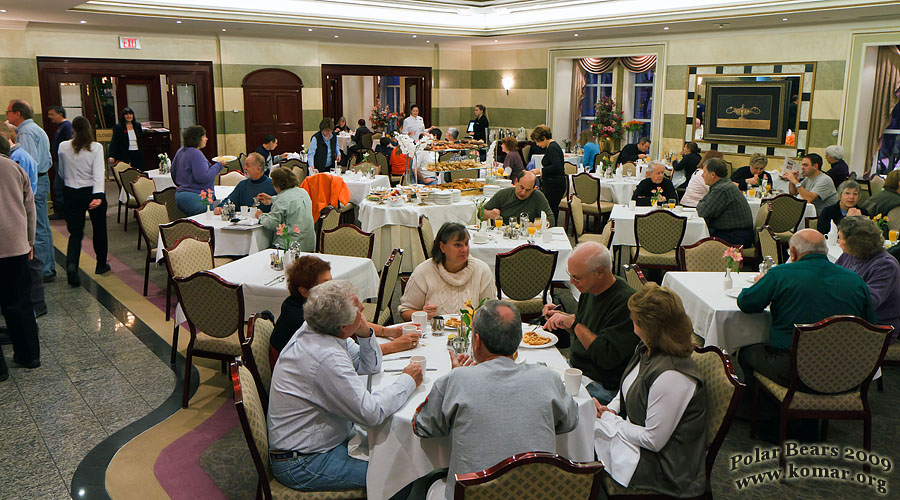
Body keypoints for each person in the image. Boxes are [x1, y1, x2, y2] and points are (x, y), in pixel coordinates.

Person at [267, 280, 423, 491]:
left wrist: (364, 331)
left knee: (397, 450)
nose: (362, 310)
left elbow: (369, 366)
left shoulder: (319, 329)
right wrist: (408, 380)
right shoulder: (325, 356)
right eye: (359, 309)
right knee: (399, 476)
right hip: (303, 462)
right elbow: (372, 413)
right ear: (343, 327)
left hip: (320, 441)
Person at [414, 300, 579, 499]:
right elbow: (570, 421)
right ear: (518, 341)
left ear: (476, 341)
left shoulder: (456, 380)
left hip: (474, 493)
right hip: (537, 492)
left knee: (422, 485)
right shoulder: (548, 378)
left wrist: (455, 383)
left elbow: (423, 427)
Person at [594, 283, 706, 498]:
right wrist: (611, 410)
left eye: (634, 319)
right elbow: (625, 388)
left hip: (664, 469)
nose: (630, 321)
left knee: (584, 450)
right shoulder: (647, 347)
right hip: (636, 435)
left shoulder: (673, 375)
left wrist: (610, 421)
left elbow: (653, 441)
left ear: (648, 327)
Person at [737, 229, 876, 394]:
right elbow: (870, 325)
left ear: (793, 253)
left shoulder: (781, 274)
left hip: (794, 370)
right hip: (846, 373)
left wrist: (763, 283)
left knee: (746, 352)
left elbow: (746, 303)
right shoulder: (855, 281)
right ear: (826, 251)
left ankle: (766, 412)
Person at [269, 255, 422, 366]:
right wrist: (395, 346)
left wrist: (387, 332)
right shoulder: (306, 318)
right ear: (304, 290)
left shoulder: (308, 304)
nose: (332, 287)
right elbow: (350, 355)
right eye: (325, 283)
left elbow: (352, 325)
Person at [543, 242, 638, 403]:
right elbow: (588, 324)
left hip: (602, 383)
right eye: (570, 275)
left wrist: (573, 323)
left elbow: (606, 357)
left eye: (576, 277)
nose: (571, 283)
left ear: (600, 272)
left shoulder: (626, 303)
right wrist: (561, 317)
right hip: (577, 368)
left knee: (542, 396)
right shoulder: (591, 288)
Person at [0, 136, 41, 379]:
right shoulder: (15, 168)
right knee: (20, 302)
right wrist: (30, 241)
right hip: (16, 246)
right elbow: (30, 208)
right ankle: (29, 356)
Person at [399, 222, 494, 321]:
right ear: (442, 247)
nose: (464, 249)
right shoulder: (424, 271)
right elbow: (405, 311)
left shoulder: (482, 270)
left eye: (466, 244)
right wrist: (422, 315)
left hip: (471, 334)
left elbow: (492, 312)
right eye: (457, 245)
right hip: (434, 333)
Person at [57, 116, 110, 286]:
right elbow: (98, 172)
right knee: (99, 228)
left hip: (71, 192)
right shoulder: (95, 148)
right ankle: (101, 264)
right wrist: (98, 196)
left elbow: (61, 172)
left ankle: (72, 265)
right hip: (91, 192)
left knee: (76, 232)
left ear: (73, 129)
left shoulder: (63, 147)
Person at [7, 99, 54, 285]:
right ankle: (48, 266)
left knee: (37, 228)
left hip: (34, 183)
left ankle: (42, 270)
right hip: (42, 179)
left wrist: (25, 190)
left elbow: (29, 164)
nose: (7, 115)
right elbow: (47, 160)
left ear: (18, 113)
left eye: (8, 111)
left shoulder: (25, 132)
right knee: (43, 226)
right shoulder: (37, 128)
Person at [836, 216, 900, 340]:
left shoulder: (885, 265)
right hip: (851, 321)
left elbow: (869, 302)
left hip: (876, 328)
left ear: (854, 242)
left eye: (840, 237)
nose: (838, 242)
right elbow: (833, 278)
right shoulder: (849, 255)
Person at [696, 158, 755, 246]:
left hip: (736, 236)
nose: (702, 175)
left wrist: (702, 204)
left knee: (696, 240)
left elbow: (702, 212)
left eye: (704, 172)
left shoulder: (721, 189)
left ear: (713, 175)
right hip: (738, 233)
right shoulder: (724, 185)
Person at [256, 167, 316, 252]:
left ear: (277, 184)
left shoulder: (282, 199)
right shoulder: (303, 192)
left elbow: (272, 224)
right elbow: (290, 200)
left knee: (261, 249)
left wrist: (261, 216)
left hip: (289, 245)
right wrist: (272, 199)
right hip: (308, 245)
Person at [171, 125, 224, 216]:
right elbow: (203, 177)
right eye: (203, 136)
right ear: (197, 138)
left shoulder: (181, 150)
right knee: (206, 225)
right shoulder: (196, 154)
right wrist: (219, 165)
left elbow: (173, 171)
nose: (206, 139)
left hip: (181, 195)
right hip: (197, 198)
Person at [483, 171, 554, 226]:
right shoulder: (503, 194)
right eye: (521, 187)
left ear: (534, 188)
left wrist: (538, 225)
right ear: (516, 182)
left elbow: (551, 219)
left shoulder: (537, 196)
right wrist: (489, 214)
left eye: (528, 190)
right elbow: (480, 213)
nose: (523, 192)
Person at [531, 125, 566, 223]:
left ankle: (551, 227)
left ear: (544, 138)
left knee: (551, 210)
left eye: (538, 141)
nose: (537, 144)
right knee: (551, 208)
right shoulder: (552, 146)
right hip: (553, 183)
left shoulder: (552, 148)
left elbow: (557, 166)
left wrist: (540, 171)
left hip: (554, 185)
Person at [47, 105, 73, 219]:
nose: (49, 117)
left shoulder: (66, 127)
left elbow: (69, 144)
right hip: (59, 161)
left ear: (60, 114)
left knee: (59, 186)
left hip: (64, 162)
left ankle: (62, 211)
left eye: (52, 114)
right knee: (58, 185)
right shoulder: (60, 127)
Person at [108, 106, 144, 171]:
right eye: (126, 114)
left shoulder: (137, 126)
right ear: (123, 116)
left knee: (138, 170)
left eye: (130, 114)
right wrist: (111, 155)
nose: (129, 116)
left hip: (137, 152)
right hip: (125, 153)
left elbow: (141, 139)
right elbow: (114, 142)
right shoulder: (119, 128)